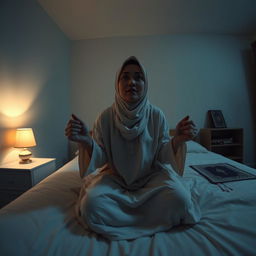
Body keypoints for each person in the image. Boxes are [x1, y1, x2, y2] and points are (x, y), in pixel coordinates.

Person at [65, 56, 201, 240]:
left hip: (151, 177)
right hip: (115, 177)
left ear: (146, 84)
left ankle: (124, 217)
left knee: (180, 200)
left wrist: (177, 140)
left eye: (138, 77)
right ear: (117, 83)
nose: (132, 82)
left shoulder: (156, 115)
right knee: (91, 205)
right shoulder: (105, 117)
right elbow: (101, 157)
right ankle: (148, 218)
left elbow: (162, 154)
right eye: (125, 77)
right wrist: (86, 141)